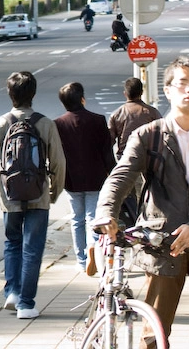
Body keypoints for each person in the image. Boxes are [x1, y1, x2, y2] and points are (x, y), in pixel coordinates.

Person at [95, 56, 189, 349]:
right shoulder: (147, 136)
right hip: (163, 246)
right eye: (182, 83)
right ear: (167, 90)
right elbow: (120, 177)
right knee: (154, 332)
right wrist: (105, 212)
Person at [0, 71, 66, 320]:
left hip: (9, 196)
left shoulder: (0, 124)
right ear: (33, 94)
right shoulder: (46, 124)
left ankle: (12, 292)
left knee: (12, 242)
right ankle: (26, 304)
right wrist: (54, 192)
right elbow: (58, 162)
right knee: (33, 249)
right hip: (38, 196)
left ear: (10, 94)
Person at [54, 82, 115, 273]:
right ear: (82, 99)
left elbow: (56, 154)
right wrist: (112, 172)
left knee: (76, 219)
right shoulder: (97, 120)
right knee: (93, 219)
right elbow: (107, 151)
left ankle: (81, 260)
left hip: (71, 179)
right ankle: (94, 251)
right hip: (96, 177)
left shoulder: (58, 124)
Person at [108, 77, 162, 223]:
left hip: (124, 160)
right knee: (146, 196)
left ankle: (130, 224)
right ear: (142, 92)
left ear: (125, 93)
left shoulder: (117, 114)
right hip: (149, 160)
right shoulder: (152, 112)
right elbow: (163, 137)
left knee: (124, 197)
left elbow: (109, 142)